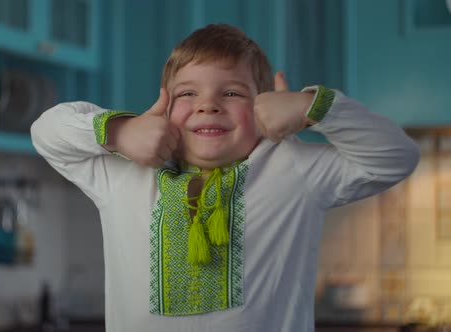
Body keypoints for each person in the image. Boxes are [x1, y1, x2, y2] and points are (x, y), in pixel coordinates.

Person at [31, 24, 419, 332]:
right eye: (187, 94)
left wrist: (310, 107)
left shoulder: (294, 169)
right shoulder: (120, 172)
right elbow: (46, 132)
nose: (208, 105)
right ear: (165, 108)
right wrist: (117, 132)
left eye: (232, 93)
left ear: (265, 108)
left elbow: (395, 157)